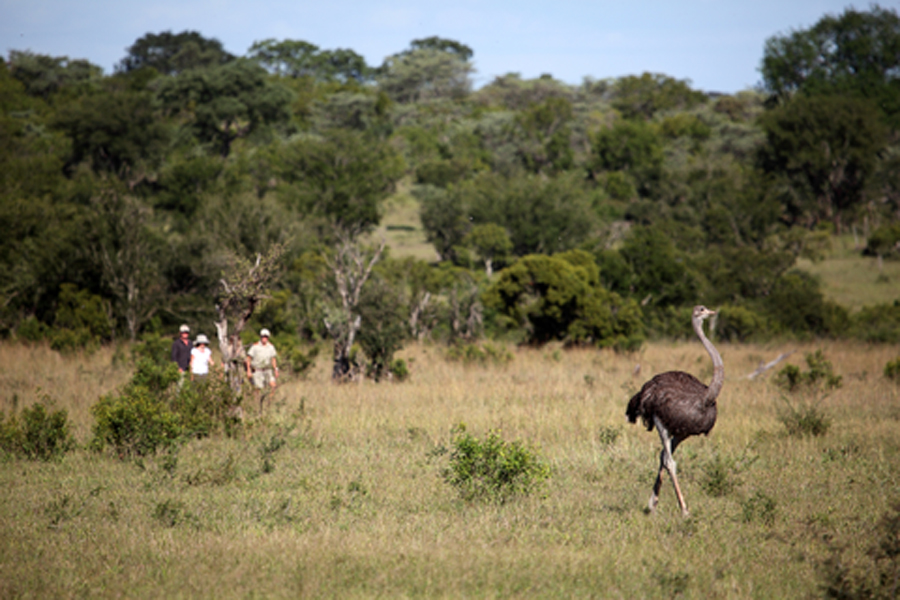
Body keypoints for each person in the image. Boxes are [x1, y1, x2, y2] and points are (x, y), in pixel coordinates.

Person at [246, 328, 278, 410]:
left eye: (266, 336)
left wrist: (275, 369)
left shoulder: (271, 347)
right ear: (260, 336)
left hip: (267, 370)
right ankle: (256, 405)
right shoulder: (255, 346)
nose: (264, 338)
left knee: (273, 386)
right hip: (257, 370)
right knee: (257, 389)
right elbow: (248, 358)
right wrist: (248, 370)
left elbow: (273, 359)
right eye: (263, 336)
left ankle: (268, 403)